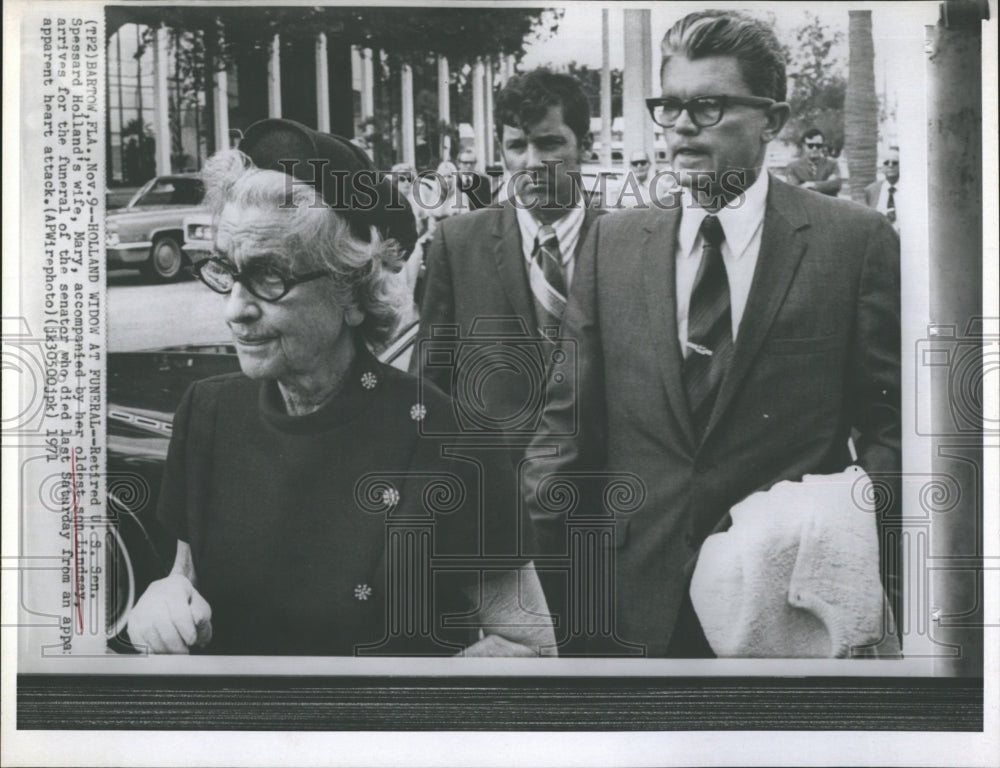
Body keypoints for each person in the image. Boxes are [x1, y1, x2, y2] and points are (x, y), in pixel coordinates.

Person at [523, 10, 901, 657]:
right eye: (669, 107)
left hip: (788, 614)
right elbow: (566, 429)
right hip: (627, 607)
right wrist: (522, 578)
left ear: (772, 120)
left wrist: (859, 557)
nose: (681, 128)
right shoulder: (612, 244)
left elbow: (888, 430)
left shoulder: (853, 242)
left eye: (708, 107)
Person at [126, 118, 553, 656]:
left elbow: (530, 647)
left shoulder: (450, 440)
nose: (236, 310)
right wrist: (167, 598)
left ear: (352, 291)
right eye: (228, 273)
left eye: (269, 277)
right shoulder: (208, 412)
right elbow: (186, 577)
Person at [412, 68, 604, 437]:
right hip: (490, 468)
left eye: (549, 144)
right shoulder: (458, 243)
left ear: (584, 144)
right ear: (502, 152)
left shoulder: (624, 244)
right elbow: (429, 383)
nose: (532, 162)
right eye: (517, 146)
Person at [785, 128, 842, 196]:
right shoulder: (793, 167)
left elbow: (835, 184)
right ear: (804, 146)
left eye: (818, 146)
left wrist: (812, 185)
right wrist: (825, 185)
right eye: (810, 145)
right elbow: (794, 190)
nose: (814, 148)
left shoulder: (832, 165)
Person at [866, 146, 900, 231]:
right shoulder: (871, 190)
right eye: (886, 162)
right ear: (882, 167)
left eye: (895, 163)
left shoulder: (910, 189)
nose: (890, 165)